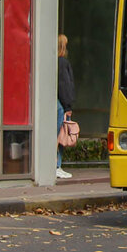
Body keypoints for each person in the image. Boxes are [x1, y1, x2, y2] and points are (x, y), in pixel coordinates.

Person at [56, 34, 76, 180]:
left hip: (56, 102)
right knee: (61, 135)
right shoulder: (62, 62)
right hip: (61, 104)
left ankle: (55, 165)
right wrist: (68, 105)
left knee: (57, 134)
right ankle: (57, 165)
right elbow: (64, 85)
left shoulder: (54, 62)